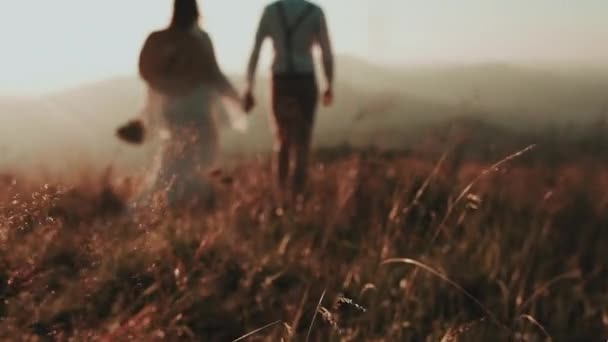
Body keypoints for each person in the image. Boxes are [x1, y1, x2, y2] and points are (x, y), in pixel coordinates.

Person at [127, 0, 243, 209]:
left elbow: (147, 72)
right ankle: (193, 203)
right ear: (195, 13)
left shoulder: (159, 40)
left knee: (174, 156)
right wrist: (236, 97)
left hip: (171, 109)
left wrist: (167, 90)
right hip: (197, 107)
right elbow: (214, 74)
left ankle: (164, 201)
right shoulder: (200, 39)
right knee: (203, 158)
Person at [243, 0, 334, 199]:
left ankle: (281, 195)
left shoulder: (270, 11)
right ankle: (298, 196)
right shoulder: (315, 12)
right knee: (303, 141)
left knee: (282, 139)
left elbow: (256, 51)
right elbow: (326, 53)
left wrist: (248, 87)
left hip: (280, 82)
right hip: (305, 81)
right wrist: (329, 84)